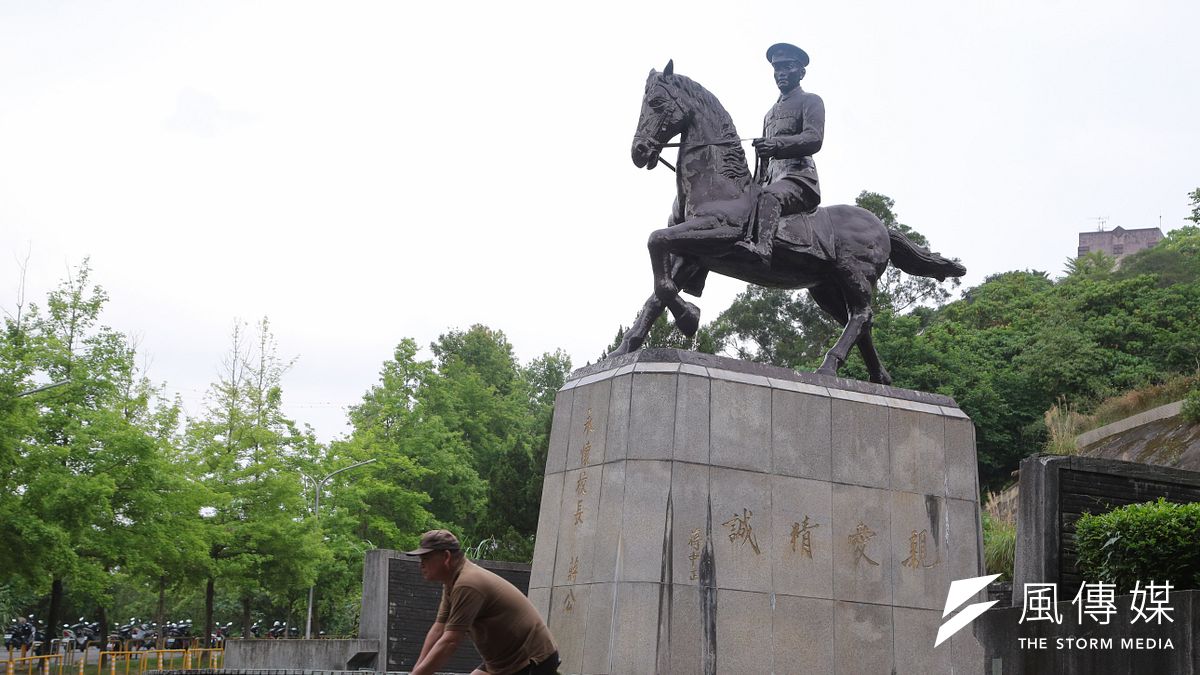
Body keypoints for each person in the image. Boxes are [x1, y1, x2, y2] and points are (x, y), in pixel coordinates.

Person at [408, 530, 559, 675]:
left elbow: (450, 642)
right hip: (503, 662)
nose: (421, 565)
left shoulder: (467, 584)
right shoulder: (451, 583)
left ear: (446, 557)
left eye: (426, 558)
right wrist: (417, 670)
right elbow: (438, 629)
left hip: (531, 658)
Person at [737, 42, 826, 265]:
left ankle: (762, 250)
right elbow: (765, 162)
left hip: (799, 180)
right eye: (777, 69)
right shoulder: (769, 114)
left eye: (788, 67)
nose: (781, 74)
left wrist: (776, 145)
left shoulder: (810, 101)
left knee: (769, 197)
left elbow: (814, 138)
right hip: (771, 182)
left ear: (801, 72)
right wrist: (753, 185)